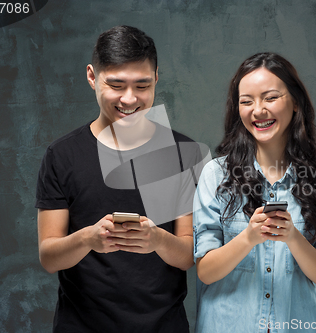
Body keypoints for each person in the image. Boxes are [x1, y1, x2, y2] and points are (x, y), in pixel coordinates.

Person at [36, 25, 200, 332]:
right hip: (81, 325)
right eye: (116, 85)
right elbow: (49, 256)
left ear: (156, 79)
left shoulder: (180, 152)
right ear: (92, 77)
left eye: (142, 85)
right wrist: (88, 238)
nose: (129, 99)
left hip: (163, 325)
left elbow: (187, 255)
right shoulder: (62, 155)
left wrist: (157, 239)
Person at [193, 52, 316, 333]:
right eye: (247, 101)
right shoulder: (215, 175)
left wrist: (292, 237)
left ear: (296, 104)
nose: (258, 110)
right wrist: (249, 238)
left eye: (271, 98)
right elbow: (205, 271)